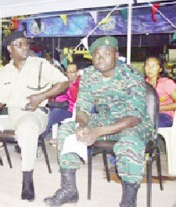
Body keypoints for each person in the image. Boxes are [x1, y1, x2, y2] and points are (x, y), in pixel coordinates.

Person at [44, 36, 154, 207]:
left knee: (129, 143)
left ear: (116, 55)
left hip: (132, 123)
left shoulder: (131, 75)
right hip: (105, 119)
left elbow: (135, 117)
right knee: (67, 130)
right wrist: (82, 125)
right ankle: (69, 189)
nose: (100, 59)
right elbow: (83, 107)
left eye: (106, 54)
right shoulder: (89, 75)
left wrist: (96, 132)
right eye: (96, 55)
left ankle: (128, 201)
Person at [0, 31, 69, 201]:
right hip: (12, 114)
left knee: (26, 127)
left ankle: (27, 180)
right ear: (9, 49)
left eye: (25, 43)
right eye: (18, 44)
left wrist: (41, 97)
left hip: (34, 114)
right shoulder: (5, 71)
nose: (24, 47)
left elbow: (64, 82)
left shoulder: (40, 64)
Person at [44, 62, 80, 144]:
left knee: (52, 116)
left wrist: (70, 86)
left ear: (77, 72)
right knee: (44, 113)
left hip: (71, 110)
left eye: (72, 72)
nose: (69, 74)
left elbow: (76, 99)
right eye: (68, 72)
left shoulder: (80, 84)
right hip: (60, 105)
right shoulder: (64, 81)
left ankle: (38, 138)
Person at [144, 56, 176, 127]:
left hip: (164, 115)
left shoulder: (166, 83)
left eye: (153, 66)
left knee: (150, 125)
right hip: (146, 115)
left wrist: (158, 108)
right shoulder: (142, 83)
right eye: (147, 65)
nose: (150, 69)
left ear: (160, 69)